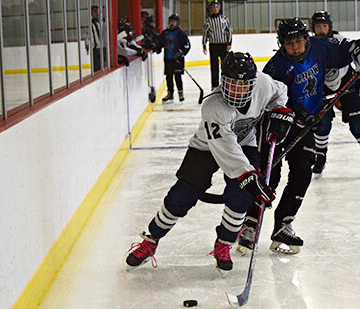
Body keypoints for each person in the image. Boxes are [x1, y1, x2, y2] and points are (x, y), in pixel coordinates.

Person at [124, 52, 293, 275]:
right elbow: (227, 149)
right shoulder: (214, 106)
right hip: (206, 147)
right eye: (231, 85)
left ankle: (223, 245)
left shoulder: (263, 84)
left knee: (241, 199)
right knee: (181, 196)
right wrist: (247, 176)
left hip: (244, 144)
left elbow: (280, 90)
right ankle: (151, 240)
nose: (236, 92)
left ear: (253, 83)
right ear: (223, 82)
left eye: (243, 86)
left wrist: (280, 110)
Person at [237, 18, 360, 256]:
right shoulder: (276, 68)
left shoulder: (320, 47)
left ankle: (283, 223)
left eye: (299, 41)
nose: (295, 46)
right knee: (269, 175)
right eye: (289, 42)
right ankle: (251, 223)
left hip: (306, 126)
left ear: (306, 38)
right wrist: (295, 113)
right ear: (281, 44)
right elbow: (270, 102)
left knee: (303, 171)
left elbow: (348, 48)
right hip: (277, 126)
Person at [310, 11, 360, 179]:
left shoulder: (341, 41)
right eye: (318, 26)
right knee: (322, 125)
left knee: (357, 125)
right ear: (313, 28)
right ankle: (320, 158)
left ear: (330, 27)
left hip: (346, 85)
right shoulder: (309, 45)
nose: (321, 30)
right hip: (322, 90)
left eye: (324, 26)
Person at [156, 14, 190, 103]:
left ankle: (180, 93)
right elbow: (160, 42)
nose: (172, 23)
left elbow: (187, 45)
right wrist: (157, 48)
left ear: (177, 23)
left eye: (174, 21)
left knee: (178, 76)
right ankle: (170, 94)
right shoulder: (165, 33)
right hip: (168, 58)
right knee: (169, 76)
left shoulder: (181, 33)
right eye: (171, 21)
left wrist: (181, 53)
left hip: (177, 59)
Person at [202, 0, 232, 90]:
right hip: (213, 46)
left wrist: (229, 43)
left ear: (219, 8)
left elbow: (229, 31)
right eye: (213, 7)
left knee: (225, 66)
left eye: (216, 7)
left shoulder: (225, 19)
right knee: (214, 67)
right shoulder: (208, 21)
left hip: (223, 45)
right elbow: (205, 34)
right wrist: (204, 45)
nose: (215, 9)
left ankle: (225, 84)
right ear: (211, 9)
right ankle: (214, 86)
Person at [85, 5, 107, 71]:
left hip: (104, 48)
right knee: (97, 68)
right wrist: (87, 48)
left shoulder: (103, 22)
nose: (97, 13)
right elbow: (87, 37)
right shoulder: (90, 25)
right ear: (91, 13)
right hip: (96, 50)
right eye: (94, 12)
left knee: (104, 66)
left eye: (98, 11)